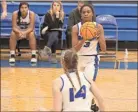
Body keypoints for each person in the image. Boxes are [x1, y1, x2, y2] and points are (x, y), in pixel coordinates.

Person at [39, 49, 105, 111]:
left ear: (63, 63)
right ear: (77, 62)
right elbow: (101, 99)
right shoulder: (87, 77)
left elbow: (57, 110)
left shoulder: (58, 82)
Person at [71, 4, 106, 111]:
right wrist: (84, 39)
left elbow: (104, 49)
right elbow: (74, 50)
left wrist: (99, 36)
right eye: (83, 12)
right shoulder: (75, 28)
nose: (86, 14)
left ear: (92, 14)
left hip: (92, 59)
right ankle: (92, 103)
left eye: (88, 12)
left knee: (87, 83)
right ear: (80, 15)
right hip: (78, 59)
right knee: (77, 85)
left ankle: (88, 106)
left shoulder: (98, 27)